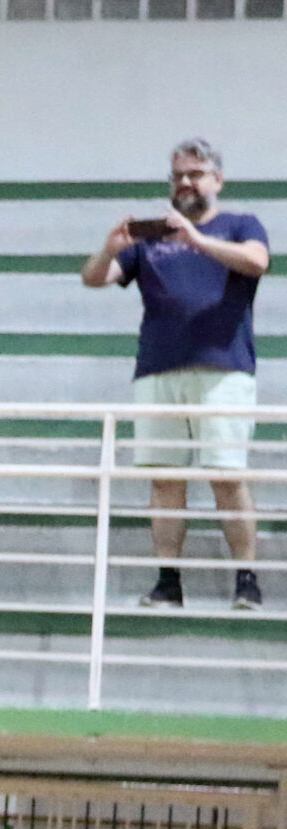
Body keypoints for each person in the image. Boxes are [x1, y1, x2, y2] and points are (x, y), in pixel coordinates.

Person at [81, 139, 270, 611]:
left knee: (227, 475)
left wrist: (196, 239)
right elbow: (92, 278)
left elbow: (257, 261)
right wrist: (108, 250)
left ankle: (246, 579)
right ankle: (168, 581)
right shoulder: (149, 239)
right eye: (178, 175)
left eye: (195, 173)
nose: (185, 182)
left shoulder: (240, 224)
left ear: (217, 180)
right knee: (165, 478)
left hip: (223, 370)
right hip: (157, 371)